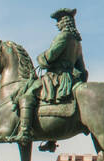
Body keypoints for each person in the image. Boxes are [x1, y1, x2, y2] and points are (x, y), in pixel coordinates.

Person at [10, 8, 88, 144]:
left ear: (64, 22)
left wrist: (41, 58)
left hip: (56, 77)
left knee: (27, 95)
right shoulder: (76, 42)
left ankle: (24, 132)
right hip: (70, 77)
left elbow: (51, 55)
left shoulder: (63, 37)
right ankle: (51, 140)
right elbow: (81, 68)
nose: (57, 24)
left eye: (58, 21)